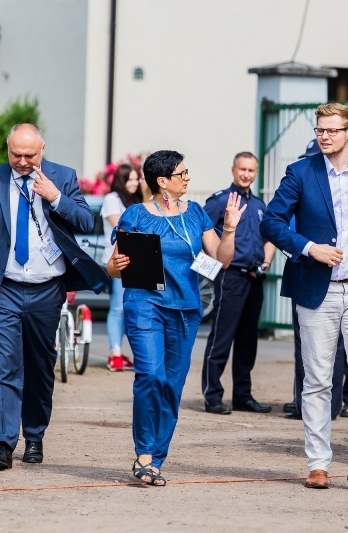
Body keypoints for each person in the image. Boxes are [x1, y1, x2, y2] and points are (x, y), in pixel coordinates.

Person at [260, 103, 348, 491]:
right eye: (320, 130)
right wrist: (307, 247)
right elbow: (271, 221)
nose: (324, 136)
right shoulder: (300, 172)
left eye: (332, 130)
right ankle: (319, 464)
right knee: (319, 380)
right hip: (315, 288)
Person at [0, 123, 110, 470]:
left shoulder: (63, 175)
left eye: (30, 155)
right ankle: (3, 443)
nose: (23, 161)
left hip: (47, 288)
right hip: (3, 288)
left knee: (40, 367)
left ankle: (35, 435)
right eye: (17, 154)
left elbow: (86, 222)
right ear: (8, 150)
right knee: (4, 366)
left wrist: (55, 197)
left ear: (42, 150)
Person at [107, 150, 245, 486]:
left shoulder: (196, 214)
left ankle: (155, 459)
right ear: (162, 181)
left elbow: (221, 260)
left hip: (185, 310)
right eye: (181, 173)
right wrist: (117, 266)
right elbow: (112, 266)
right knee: (151, 376)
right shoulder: (135, 215)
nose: (187, 178)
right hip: (144, 305)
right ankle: (143, 453)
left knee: (172, 386)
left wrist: (228, 230)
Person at [201, 152, 275, 414]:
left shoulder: (259, 205)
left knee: (248, 341)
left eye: (251, 170)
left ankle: (243, 395)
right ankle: (213, 396)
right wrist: (214, 262)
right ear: (233, 169)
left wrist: (266, 262)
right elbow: (201, 230)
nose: (246, 174)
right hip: (230, 277)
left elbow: (270, 237)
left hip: (255, 278)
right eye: (242, 169)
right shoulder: (221, 200)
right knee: (222, 338)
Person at [284, 139, 348, 422]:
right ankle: (304, 403)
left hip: (340, 279)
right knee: (307, 348)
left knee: (339, 349)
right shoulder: (301, 187)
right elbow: (284, 234)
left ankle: (335, 403)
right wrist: (307, 251)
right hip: (306, 274)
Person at [101, 163, 147, 372]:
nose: (134, 183)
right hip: (119, 260)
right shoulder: (112, 199)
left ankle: (130, 353)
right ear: (120, 181)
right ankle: (115, 353)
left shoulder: (138, 201)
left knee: (134, 309)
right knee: (118, 307)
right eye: (129, 179)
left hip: (140, 260)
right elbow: (123, 226)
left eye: (136, 179)